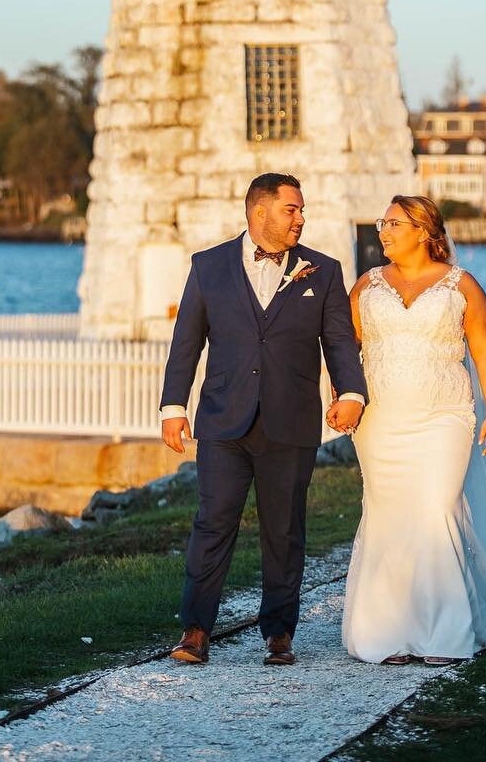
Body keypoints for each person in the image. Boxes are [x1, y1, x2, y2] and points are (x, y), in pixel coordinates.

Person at [158, 173, 367, 666]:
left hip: (290, 422)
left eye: (301, 210)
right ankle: (195, 631)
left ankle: (279, 632)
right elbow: (186, 341)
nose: (301, 218)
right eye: (292, 209)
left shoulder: (324, 271)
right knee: (213, 521)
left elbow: (338, 341)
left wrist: (353, 391)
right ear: (260, 213)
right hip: (223, 421)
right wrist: (173, 407)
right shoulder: (208, 267)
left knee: (284, 529)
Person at [340, 194, 486, 664]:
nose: (383, 231)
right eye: (382, 222)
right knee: (389, 516)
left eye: (393, 223)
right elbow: (343, 349)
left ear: (423, 231)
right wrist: (344, 396)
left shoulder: (461, 285)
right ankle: (386, 631)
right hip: (381, 420)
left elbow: (485, 350)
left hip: (445, 415)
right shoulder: (366, 285)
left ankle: (447, 632)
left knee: (436, 510)